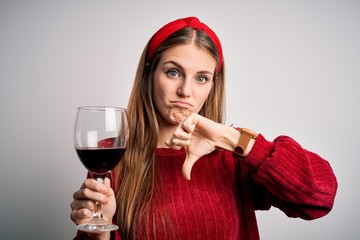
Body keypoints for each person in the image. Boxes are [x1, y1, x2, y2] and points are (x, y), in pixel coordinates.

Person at [70, 16, 338, 240]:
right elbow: (98, 227)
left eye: (201, 78)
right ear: (149, 74)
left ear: (212, 86)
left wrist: (229, 137)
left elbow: (319, 197)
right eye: (173, 72)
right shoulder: (113, 155)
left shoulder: (233, 154)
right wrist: (98, 233)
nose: (186, 91)